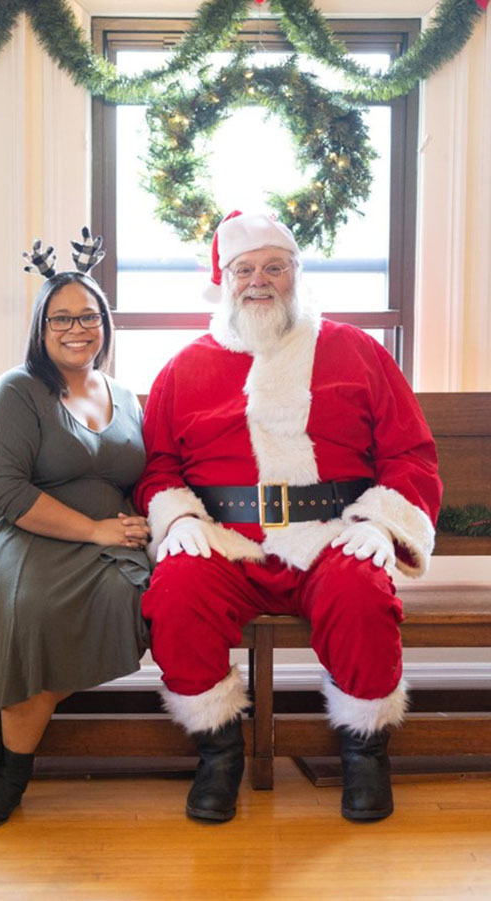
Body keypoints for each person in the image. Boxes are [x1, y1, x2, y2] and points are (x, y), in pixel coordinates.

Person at [134, 210, 442, 824]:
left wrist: (380, 524)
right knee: (175, 593)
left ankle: (364, 752)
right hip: (226, 540)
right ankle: (218, 754)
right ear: (224, 279)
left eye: (275, 266)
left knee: (362, 594)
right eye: (245, 269)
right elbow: (159, 465)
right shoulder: (182, 368)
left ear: (296, 272)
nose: (260, 280)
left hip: (332, 533)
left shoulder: (356, 352)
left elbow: (410, 453)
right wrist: (176, 521)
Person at [0, 230, 151, 827]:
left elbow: (139, 476)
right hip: (14, 534)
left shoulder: (124, 395)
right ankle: (13, 770)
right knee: (38, 611)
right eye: (61, 318)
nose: (77, 328)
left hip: (106, 544)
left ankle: (6, 724)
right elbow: (9, 491)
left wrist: (144, 523)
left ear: (105, 323)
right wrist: (95, 531)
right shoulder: (15, 392)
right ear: (41, 329)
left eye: (88, 316)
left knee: (137, 599)